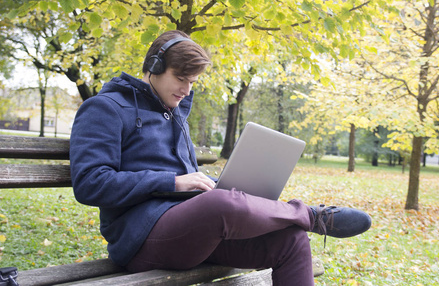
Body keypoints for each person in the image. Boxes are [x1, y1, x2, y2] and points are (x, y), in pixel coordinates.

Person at [69, 30, 371, 285]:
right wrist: (175, 182)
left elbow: (190, 184)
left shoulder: (174, 116)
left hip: (195, 233)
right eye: (181, 79)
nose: (187, 90)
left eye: (193, 82)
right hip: (140, 240)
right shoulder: (104, 108)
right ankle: (310, 215)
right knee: (222, 204)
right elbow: (90, 184)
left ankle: (296, 219)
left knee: (291, 240)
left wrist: (217, 184)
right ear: (155, 66)